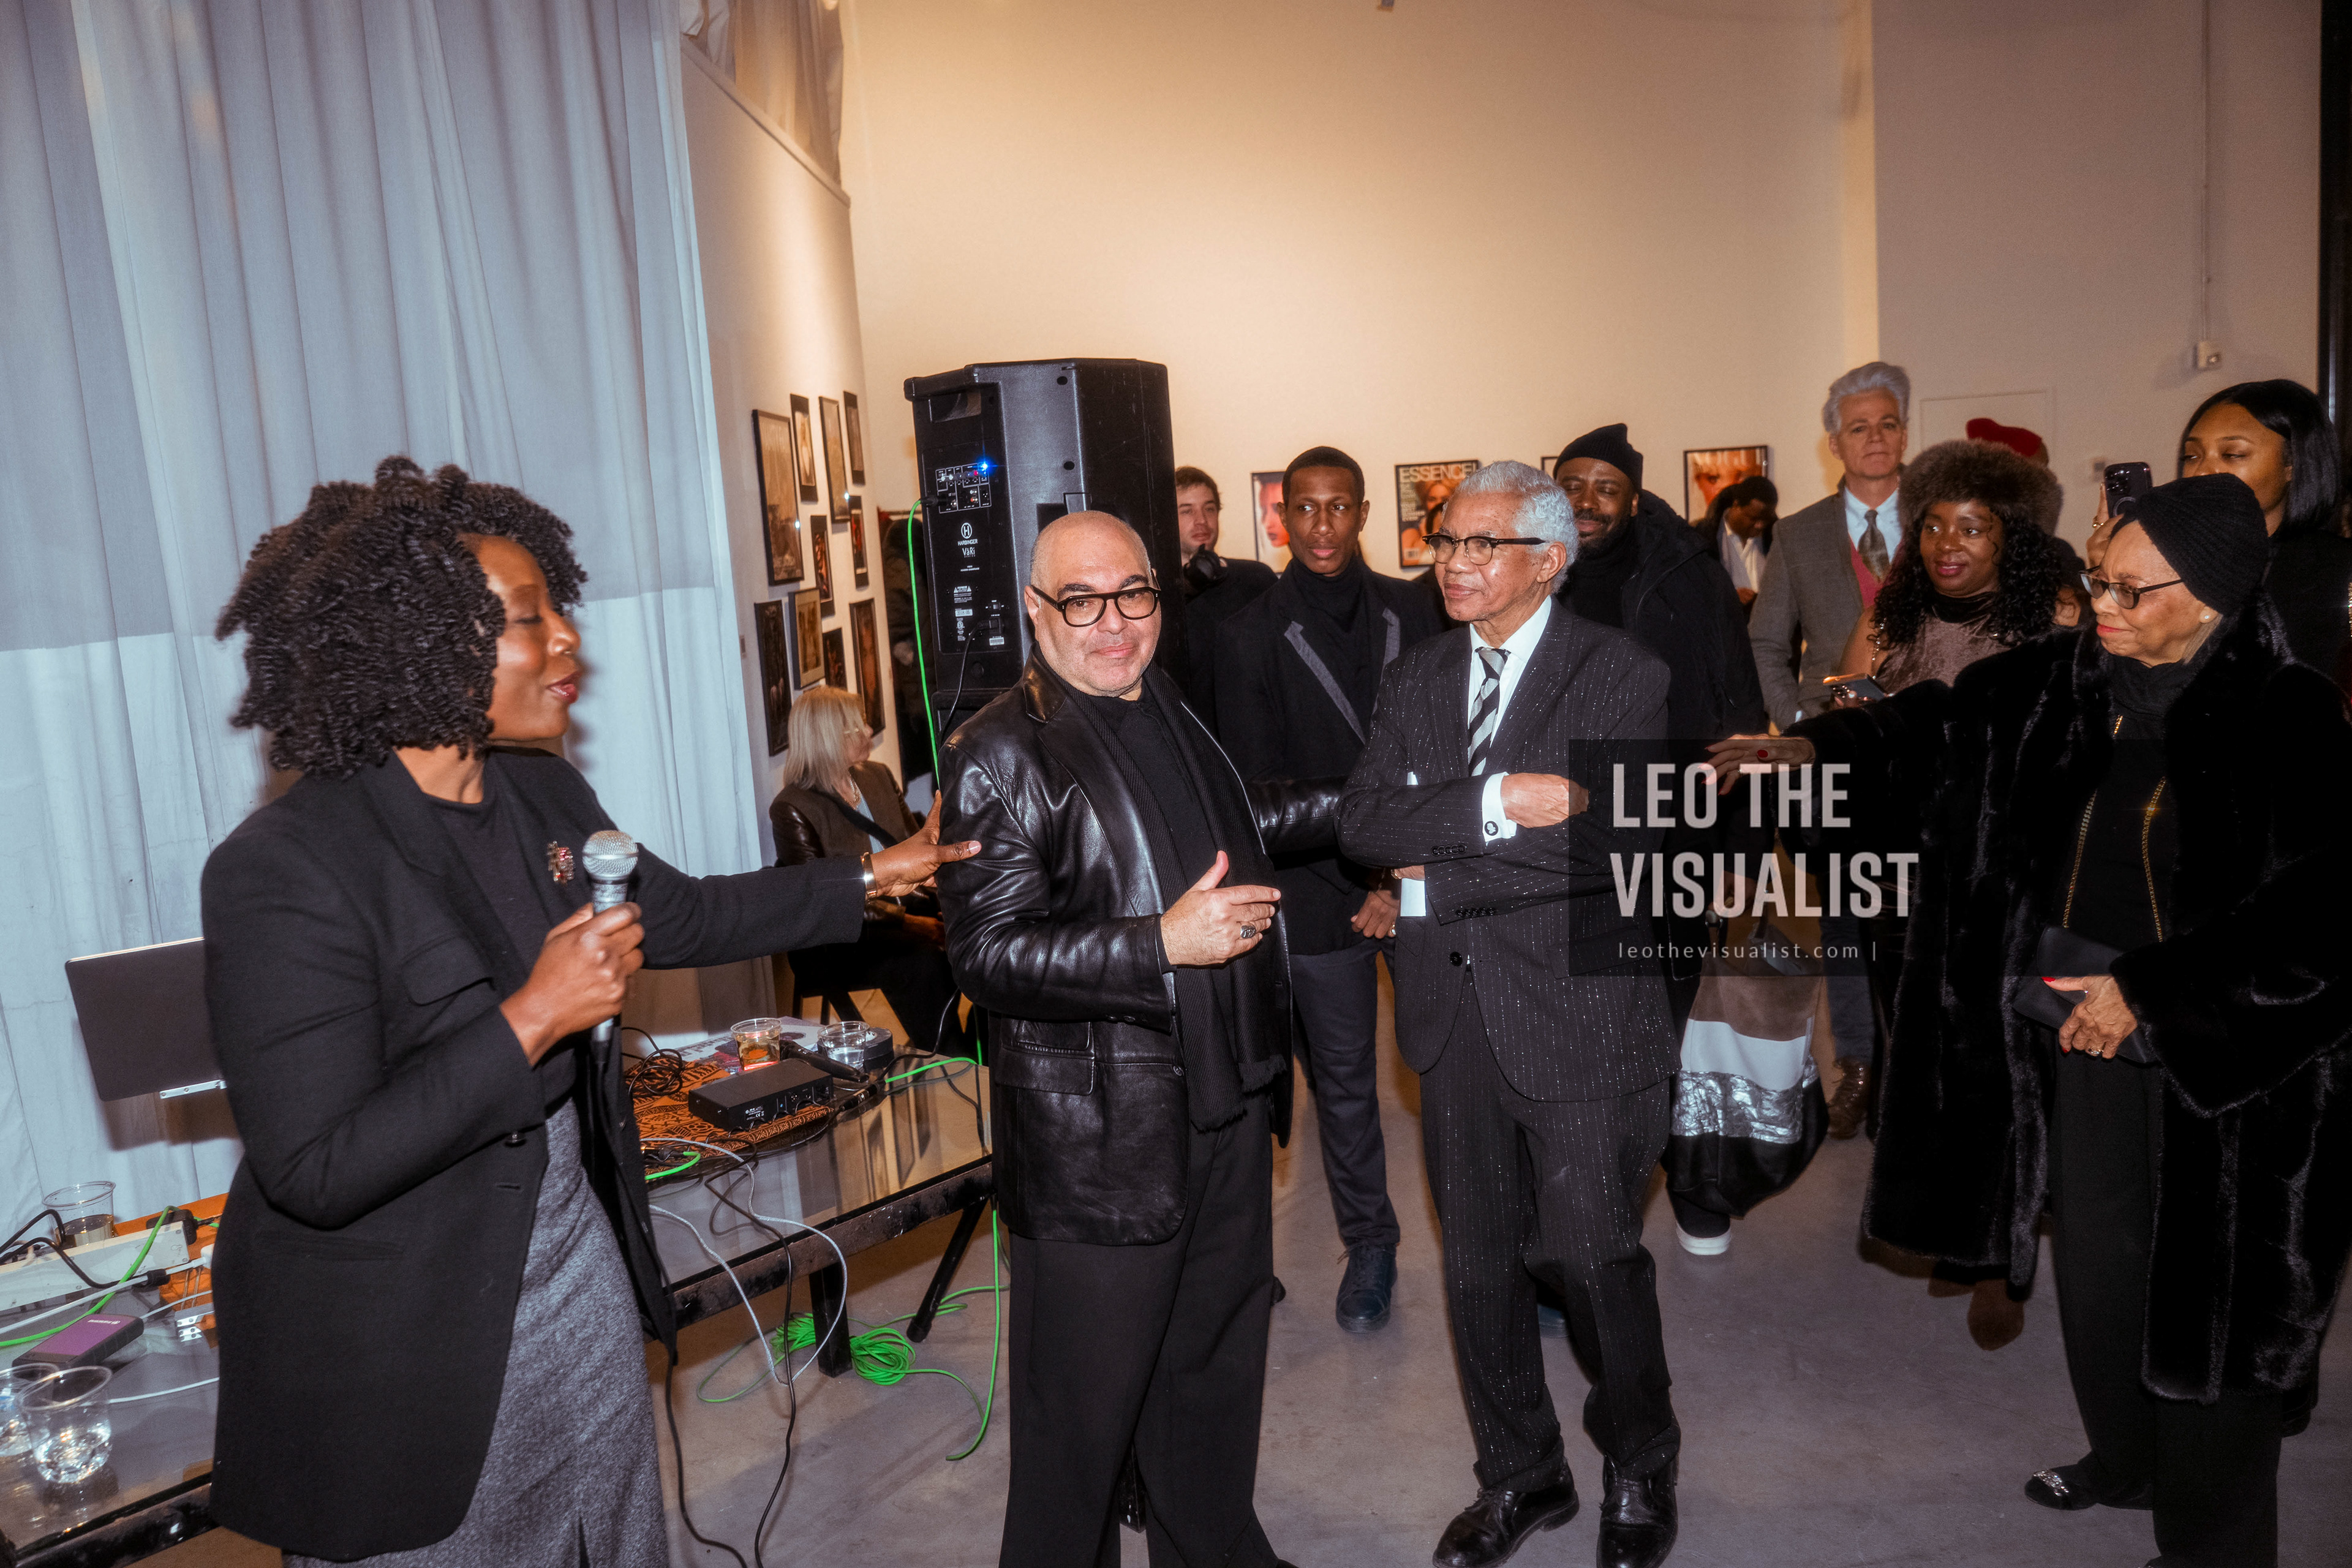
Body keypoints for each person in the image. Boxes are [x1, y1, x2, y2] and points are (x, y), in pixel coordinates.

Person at [200, 458, 976, 1566]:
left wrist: (877, 872)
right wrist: (531, 1018)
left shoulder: (542, 791)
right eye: (531, 619)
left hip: (572, 1278)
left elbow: (687, 912)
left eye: (556, 609)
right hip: (406, 1336)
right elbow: (316, 1167)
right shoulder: (286, 868)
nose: (569, 639)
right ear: (421, 639)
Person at [1722, 474, 2352, 1568]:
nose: (2100, 603)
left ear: (2211, 595)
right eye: (2099, 579)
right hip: (2074, 1018)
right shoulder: (2066, 680)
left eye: (2130, 590)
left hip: (2224, 1064)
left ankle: (2212, 1546)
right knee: (2101, 1266)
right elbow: (1935, 722)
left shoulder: (2287, 715)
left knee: (2210, 1305)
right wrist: (1815, 747)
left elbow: (2324, 913)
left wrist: (2154, 990)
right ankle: (2127, 1459)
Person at [935, 511, 1333, 1568]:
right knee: (1080, 1431)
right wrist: (1159, 944)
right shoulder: (996, 752)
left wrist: (1380, 803)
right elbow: (988, 956)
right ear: (1036, 610)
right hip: (1102, 1148)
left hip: (1227, 1109)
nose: (1114, 624)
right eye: (1082, 601)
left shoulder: (1167, 702)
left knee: (1210, 1382)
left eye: (1134, 595)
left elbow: (1234, 824)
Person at [1340, 462, 1683, 1568]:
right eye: (1446, 542)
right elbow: (1362, 825)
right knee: (1479, 1268)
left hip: (1583, 1013)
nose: (1454, 563)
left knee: (1591, 1257)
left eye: (1482, 545)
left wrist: (1436, 871)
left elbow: (1612, 843)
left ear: (1550, 560)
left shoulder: (1620, 673)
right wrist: (1495, 802)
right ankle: (1521, 1474)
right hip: (1452, 1015)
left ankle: (1641, 1457)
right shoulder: (1419, 676)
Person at [1215, 444, 1446, 1333]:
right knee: (1346, 1089)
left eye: (1338, 506)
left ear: (1363, 513)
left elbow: (1443, 751)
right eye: (1304, 508)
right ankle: (1372, 1244)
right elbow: (1264, 801)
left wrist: (1398, 874)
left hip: (1423, 879)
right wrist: (1369, 874)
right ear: (1282, 518)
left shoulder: (1415, 610)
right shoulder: (1248, 635)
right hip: (1318, 897)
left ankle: (1492, 1247)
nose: (1321, 525)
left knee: (1456, 1074)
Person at [1747, 360, 1911, 1134]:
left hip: (1925, 749)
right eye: (1858, 427)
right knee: (1845, 913)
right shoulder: (1800, 533)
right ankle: (1860, 1065)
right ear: (1835, 443)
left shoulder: (1946, 522)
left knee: (1919, 909)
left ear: (1904, 432)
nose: (1875, 438)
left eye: (1888, 423)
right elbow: (1766, 641)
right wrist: (1796, 724)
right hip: (1836, 753)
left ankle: (1918, 1064)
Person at [771, 685, 971, 1055]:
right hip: (846, 938)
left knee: (985, 933)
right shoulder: (792, 808)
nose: (867, 730)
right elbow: (827, 901)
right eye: (856, 726)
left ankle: (981, 1043)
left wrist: (950, 901)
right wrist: (920, 926)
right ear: (828, 738)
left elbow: (915, 845)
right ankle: (950, 1055)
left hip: (907, 906)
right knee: (925, 963)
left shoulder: (877, 775)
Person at [2167, 380, 2348, 687]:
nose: (2203, 472)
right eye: (2192, 456)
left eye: (2232, 454)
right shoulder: (2168, 557)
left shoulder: (2335, 569)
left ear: (2293, 465)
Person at [1177, 464, 1278, 723]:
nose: (1202, 520)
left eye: (1209, 509)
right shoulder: (1153, 593)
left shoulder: (1257, 579)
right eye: (1187, 511)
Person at [1696, 475, 1777, 610]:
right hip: (1722, 620)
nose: (1760, 525)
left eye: (1766, 520)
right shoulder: (1702, 536)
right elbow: (1694, 589)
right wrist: (1729, 597)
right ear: (1736, 505)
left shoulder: (1775, 538)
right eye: (1753, 518)